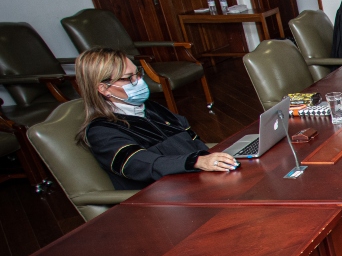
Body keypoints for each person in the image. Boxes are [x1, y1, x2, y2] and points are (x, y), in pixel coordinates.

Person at [77, 47, 236, 190]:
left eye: (137, 74)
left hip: (198, 181)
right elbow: (144, 164)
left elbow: (193, 141)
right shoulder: (102, 131)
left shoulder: (153, 108)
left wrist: (215, 159)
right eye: (128, 78)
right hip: (161, 197)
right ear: (103, 89)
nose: (138, 81)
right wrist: (196, 161)